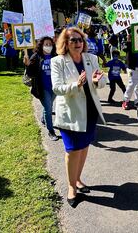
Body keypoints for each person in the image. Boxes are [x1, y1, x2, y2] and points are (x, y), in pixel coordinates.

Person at [51, 27, 106, 207]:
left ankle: (78, 179)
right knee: (73, 150)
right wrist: (77, 84)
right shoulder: (57, 62)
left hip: (89, 111)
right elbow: (57, 88)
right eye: (73, 40)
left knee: (83, 147)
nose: (78, 43)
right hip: (70, 113)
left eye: (80, 40)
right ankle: (71, 186)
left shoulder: (91, 59)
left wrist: (98, 81)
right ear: (65, 43)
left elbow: (101, 81)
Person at [26, 36, 58, 141]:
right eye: (46, 44)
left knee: (48, 105)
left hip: (55, 87)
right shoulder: (36, 56)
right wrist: (27, 65)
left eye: (50, 44)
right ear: (41, 45)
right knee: (48, 108)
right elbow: (30, 73)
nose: (48, 46)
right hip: (42, 87)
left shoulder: (55, 56)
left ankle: (44, 118)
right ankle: (51, 131)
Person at [122, 34, 138, 110]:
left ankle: (137, 102)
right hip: (133, 68)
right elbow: (124, 49)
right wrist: (129, 41)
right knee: (132, 84)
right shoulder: (132, 42)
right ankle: (126, 100)